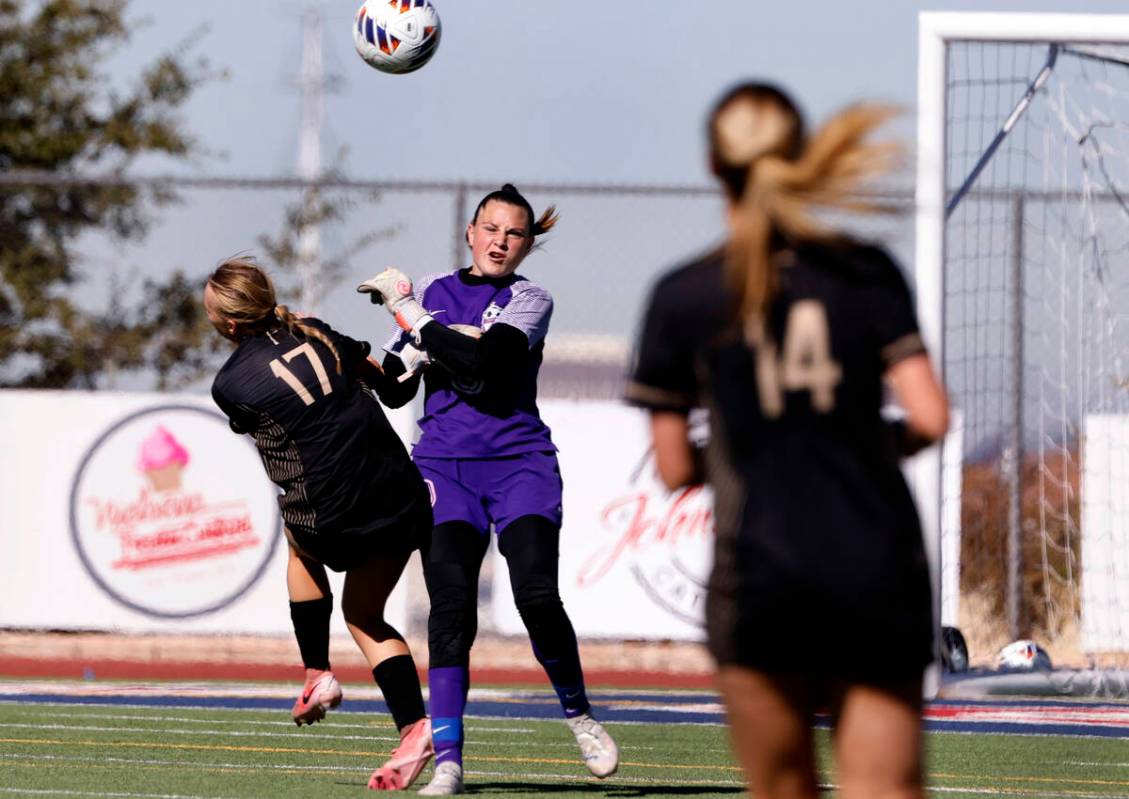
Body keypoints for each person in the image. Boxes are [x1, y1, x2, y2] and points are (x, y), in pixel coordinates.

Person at [626, 83, 950, 799]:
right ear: (801, 153)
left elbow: (675, 465)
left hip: (762, 575)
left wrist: (758, 445)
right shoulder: (863, 269)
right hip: (876, 565)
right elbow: (928, 415)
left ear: (714, 165)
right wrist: (854, 440)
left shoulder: (683, 294)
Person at [357, 184, 619, 796]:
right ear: (470, 233)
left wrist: (415, 320)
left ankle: (580, 716)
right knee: (450, 611)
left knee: (535, 595)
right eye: (491, 229)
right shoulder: (429, 291)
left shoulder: (531, 299)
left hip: (519, 464)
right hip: (444, 468)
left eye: (515, 233)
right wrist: (363, 356)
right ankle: (448, 760)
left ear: (529, 245)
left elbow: (487, 364)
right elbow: (396, 386)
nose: (501, 242)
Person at [205, 256, 436, 791]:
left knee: (298, 544)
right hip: (400, 491)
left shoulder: (229, 384)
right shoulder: (316, 329)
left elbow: (271, 421)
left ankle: (317, 672)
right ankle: (414, 727)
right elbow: (393, 387)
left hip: (333, 508)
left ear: (231, 325)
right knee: (363, 613)